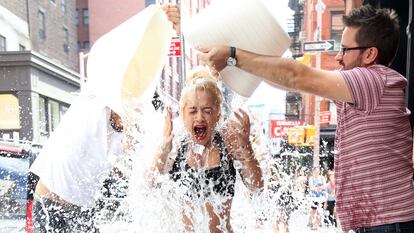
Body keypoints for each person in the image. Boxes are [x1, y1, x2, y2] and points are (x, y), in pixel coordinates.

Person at [197, 4, 414, 233]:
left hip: (389, 224)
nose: (339, 57)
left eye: (345, 49)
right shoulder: (364, 87)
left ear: (370, 54)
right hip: (382, 223)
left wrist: (233, 55)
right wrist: (236, 64)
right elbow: (287, 81)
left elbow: (296, 75)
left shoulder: (372, 81)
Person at [29, 4, 181, 232]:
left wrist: (163, 149)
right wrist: (159, 19)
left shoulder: (136, 126)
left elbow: (146, 179)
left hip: (84, 214)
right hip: (50, 206)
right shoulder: (96, 96)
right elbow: (112, 49)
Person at [147, 69, 264, 233]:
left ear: (218, 114)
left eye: (207, 111)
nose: (200, 117)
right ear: (183, 114)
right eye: (193, 110)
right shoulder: (175, 146)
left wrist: (247, 150)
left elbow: (257, 187)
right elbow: (148, 185)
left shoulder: (229, 145)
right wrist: (162, 151)